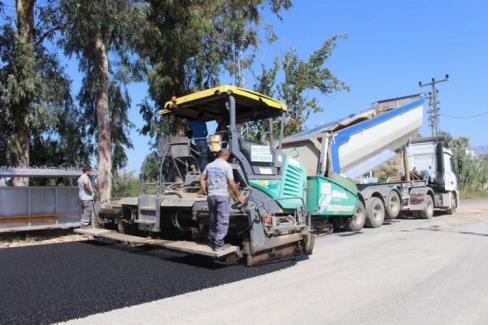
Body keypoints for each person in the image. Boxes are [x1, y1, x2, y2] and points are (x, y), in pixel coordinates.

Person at [199, 149, 245, 251]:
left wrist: (204, 190)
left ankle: (213, 239)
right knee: (223, 220)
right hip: (222, 196)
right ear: (227, 156)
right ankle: (219, 244)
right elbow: (232, 183)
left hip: (211, 196)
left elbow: (201, 178)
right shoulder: (226, 166)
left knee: (213, 218)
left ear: (218, 155)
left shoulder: (209, 165)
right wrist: (239, 197)